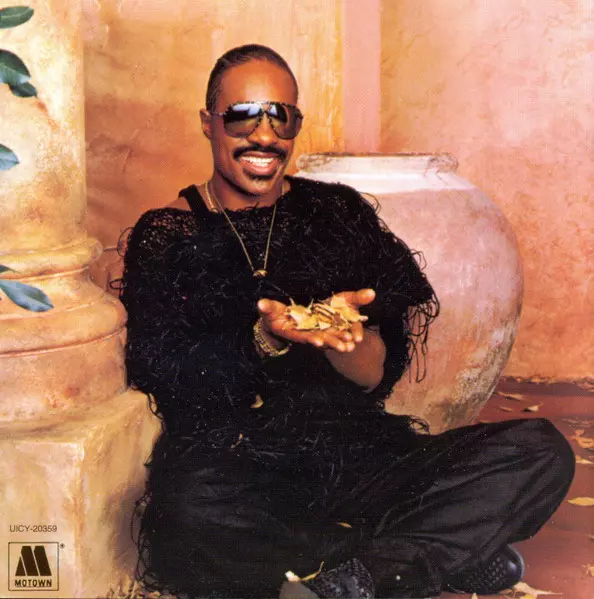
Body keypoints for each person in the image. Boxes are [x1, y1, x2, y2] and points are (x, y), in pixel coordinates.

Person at [118, 44, 575, 599]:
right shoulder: (169, 233)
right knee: (190, 515)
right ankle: (430, 555)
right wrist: (264, 339)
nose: (264, 136)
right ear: (208, 122)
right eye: (242, 116)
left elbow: (375, 377)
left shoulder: (337, 212)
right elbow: (162, 369)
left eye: (280, 116)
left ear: (295, 125)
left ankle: (359, 579)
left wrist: (346, 343)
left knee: (539, 451)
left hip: (356, 456)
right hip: (239, 468)